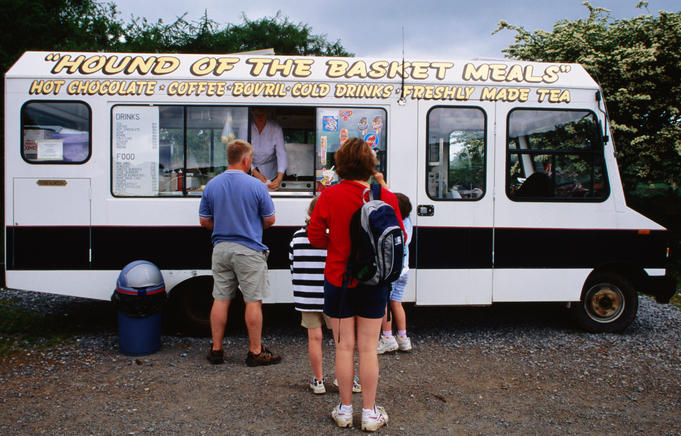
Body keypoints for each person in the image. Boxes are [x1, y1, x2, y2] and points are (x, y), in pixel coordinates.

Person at [307, 137, 405, 432]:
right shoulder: (385, 196)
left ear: (339, 165)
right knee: (368, 349)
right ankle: (371, 413)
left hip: (339, 280)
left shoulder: (329, 195)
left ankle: (346, 410)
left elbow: (314, 235)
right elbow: (398, 236)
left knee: (343, 347)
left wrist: (337, 246)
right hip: (374, 283)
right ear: (369, 165)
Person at [199, 139, 281, 367]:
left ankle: (216, 350)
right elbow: (270, 219)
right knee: (253, 301)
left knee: (220, 299)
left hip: (221, 249)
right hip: (249, 250)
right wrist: (249, 227)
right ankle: (255, 351)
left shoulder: (212, 185)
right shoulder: (256, 186)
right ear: (246, 159)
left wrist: (225, 228)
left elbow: (204, 220)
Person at [289, 196, 363, 395]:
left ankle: (318, 381)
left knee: (314, 338)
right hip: (332, 294)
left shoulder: (297, 237)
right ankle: (343, 378)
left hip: (306, 296)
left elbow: (292, 265)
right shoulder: (334, 237)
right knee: (342, 340)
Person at [377, 192, 414, 354]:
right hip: (404, 270)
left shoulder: (393, 226)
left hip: (391, 271)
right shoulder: (408, 222)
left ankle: (387, 338)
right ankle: (403, 338)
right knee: (397, 303)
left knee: (385, 304)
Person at [249, 107, 287, 190]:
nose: (260, 118)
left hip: (270, 172)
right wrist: (255, 173)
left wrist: (279, 178)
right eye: (257, 115)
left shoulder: (275, 128)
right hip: (249, 170)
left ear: (267, 114)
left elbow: (281, 154)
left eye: (262, 115)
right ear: (252, 113)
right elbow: (243, 153)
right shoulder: (246, 127)